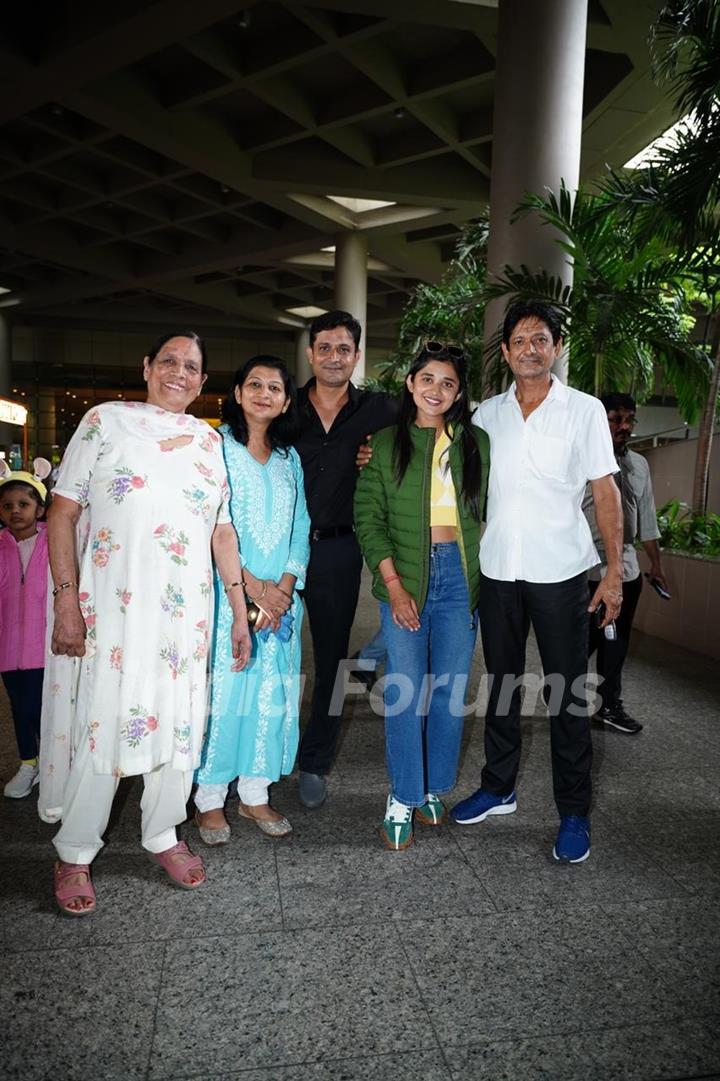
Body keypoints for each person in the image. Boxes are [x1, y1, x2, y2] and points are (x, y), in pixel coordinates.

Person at [43, 331, 251, 916]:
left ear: (203, 381)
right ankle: (76, 850)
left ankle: (162, 832)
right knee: (103, 724)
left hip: (184, 617)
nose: (179, 373)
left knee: (180, 726)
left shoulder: (209, 443)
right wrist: (65, 602)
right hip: (112, 609)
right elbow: (63, 511)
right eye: (169, 362)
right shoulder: (105, 421)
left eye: (191, 367)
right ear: (147, 367)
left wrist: (239, 610)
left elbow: (221, 531)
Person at [450, 300, 623, 865]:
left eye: (540, 339)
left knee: (567, 694)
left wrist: (614, 572)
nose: (530, 348)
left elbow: (605, 493)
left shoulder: (585, 410)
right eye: (519, 340)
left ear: (556, 348)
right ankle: (498, 787)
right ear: (505, 352)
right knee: (499, 687)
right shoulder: (484, 417)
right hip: (498, 569)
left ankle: (574, 811)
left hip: (561, 572)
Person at [355, 343, 490, 850]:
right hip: (405, 578)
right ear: (411, 384)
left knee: (449, 695)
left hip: (459, 578)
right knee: (405, 694)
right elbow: (369, 520)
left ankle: (433, 788)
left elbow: (486, 511)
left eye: (448, 383)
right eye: (427, 379)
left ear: (458, 393)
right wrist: (394, 588)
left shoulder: (476, 444)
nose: (436, 390)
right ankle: (402, 795)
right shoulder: (386, 444)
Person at [194, 356, 310, 840]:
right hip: (227, 601)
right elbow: (207, 525)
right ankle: (209, 799)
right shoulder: (213, 448)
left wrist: (282, 589)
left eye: (276, 387)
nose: (265, 393)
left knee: (271, 698)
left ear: (286, 401)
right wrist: (254, 590)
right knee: (226, 697)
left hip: (280, 607)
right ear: (237, 393)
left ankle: (255, 796)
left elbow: (301, 525)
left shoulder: (290, 459)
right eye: (255, 384)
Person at [294, 310, 397, 809]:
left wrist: (384, 452)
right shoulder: (283, 407)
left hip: (338, 549)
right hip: (276, 551)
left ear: (356, 357)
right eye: (325, 348)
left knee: (332, 658)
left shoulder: (379, 410)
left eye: (344, 349)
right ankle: (255, 757)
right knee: (265, 658)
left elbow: (433, 429)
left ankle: (315, 760)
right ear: (311, 353)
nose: (334, 357)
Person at [584, 392, 667, 735]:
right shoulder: (582, 462)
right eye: (616, 419)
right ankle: (557, 687)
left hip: (627, 569)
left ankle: (609, 705)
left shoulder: (639, 464)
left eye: (629, 419)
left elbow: (646, 517)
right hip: (587, 567)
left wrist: (656, 564)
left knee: (616, 641)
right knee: (583, 639)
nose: (625, 427)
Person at [0, 459, 51, 798]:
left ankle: (50, 764)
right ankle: (28, 763)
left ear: (40, 508)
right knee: (19, 708)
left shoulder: (53, 543)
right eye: (7, 506)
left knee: (42, 709)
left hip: (43, 647)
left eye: (23, 504)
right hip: (8, 649)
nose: (15, 511)